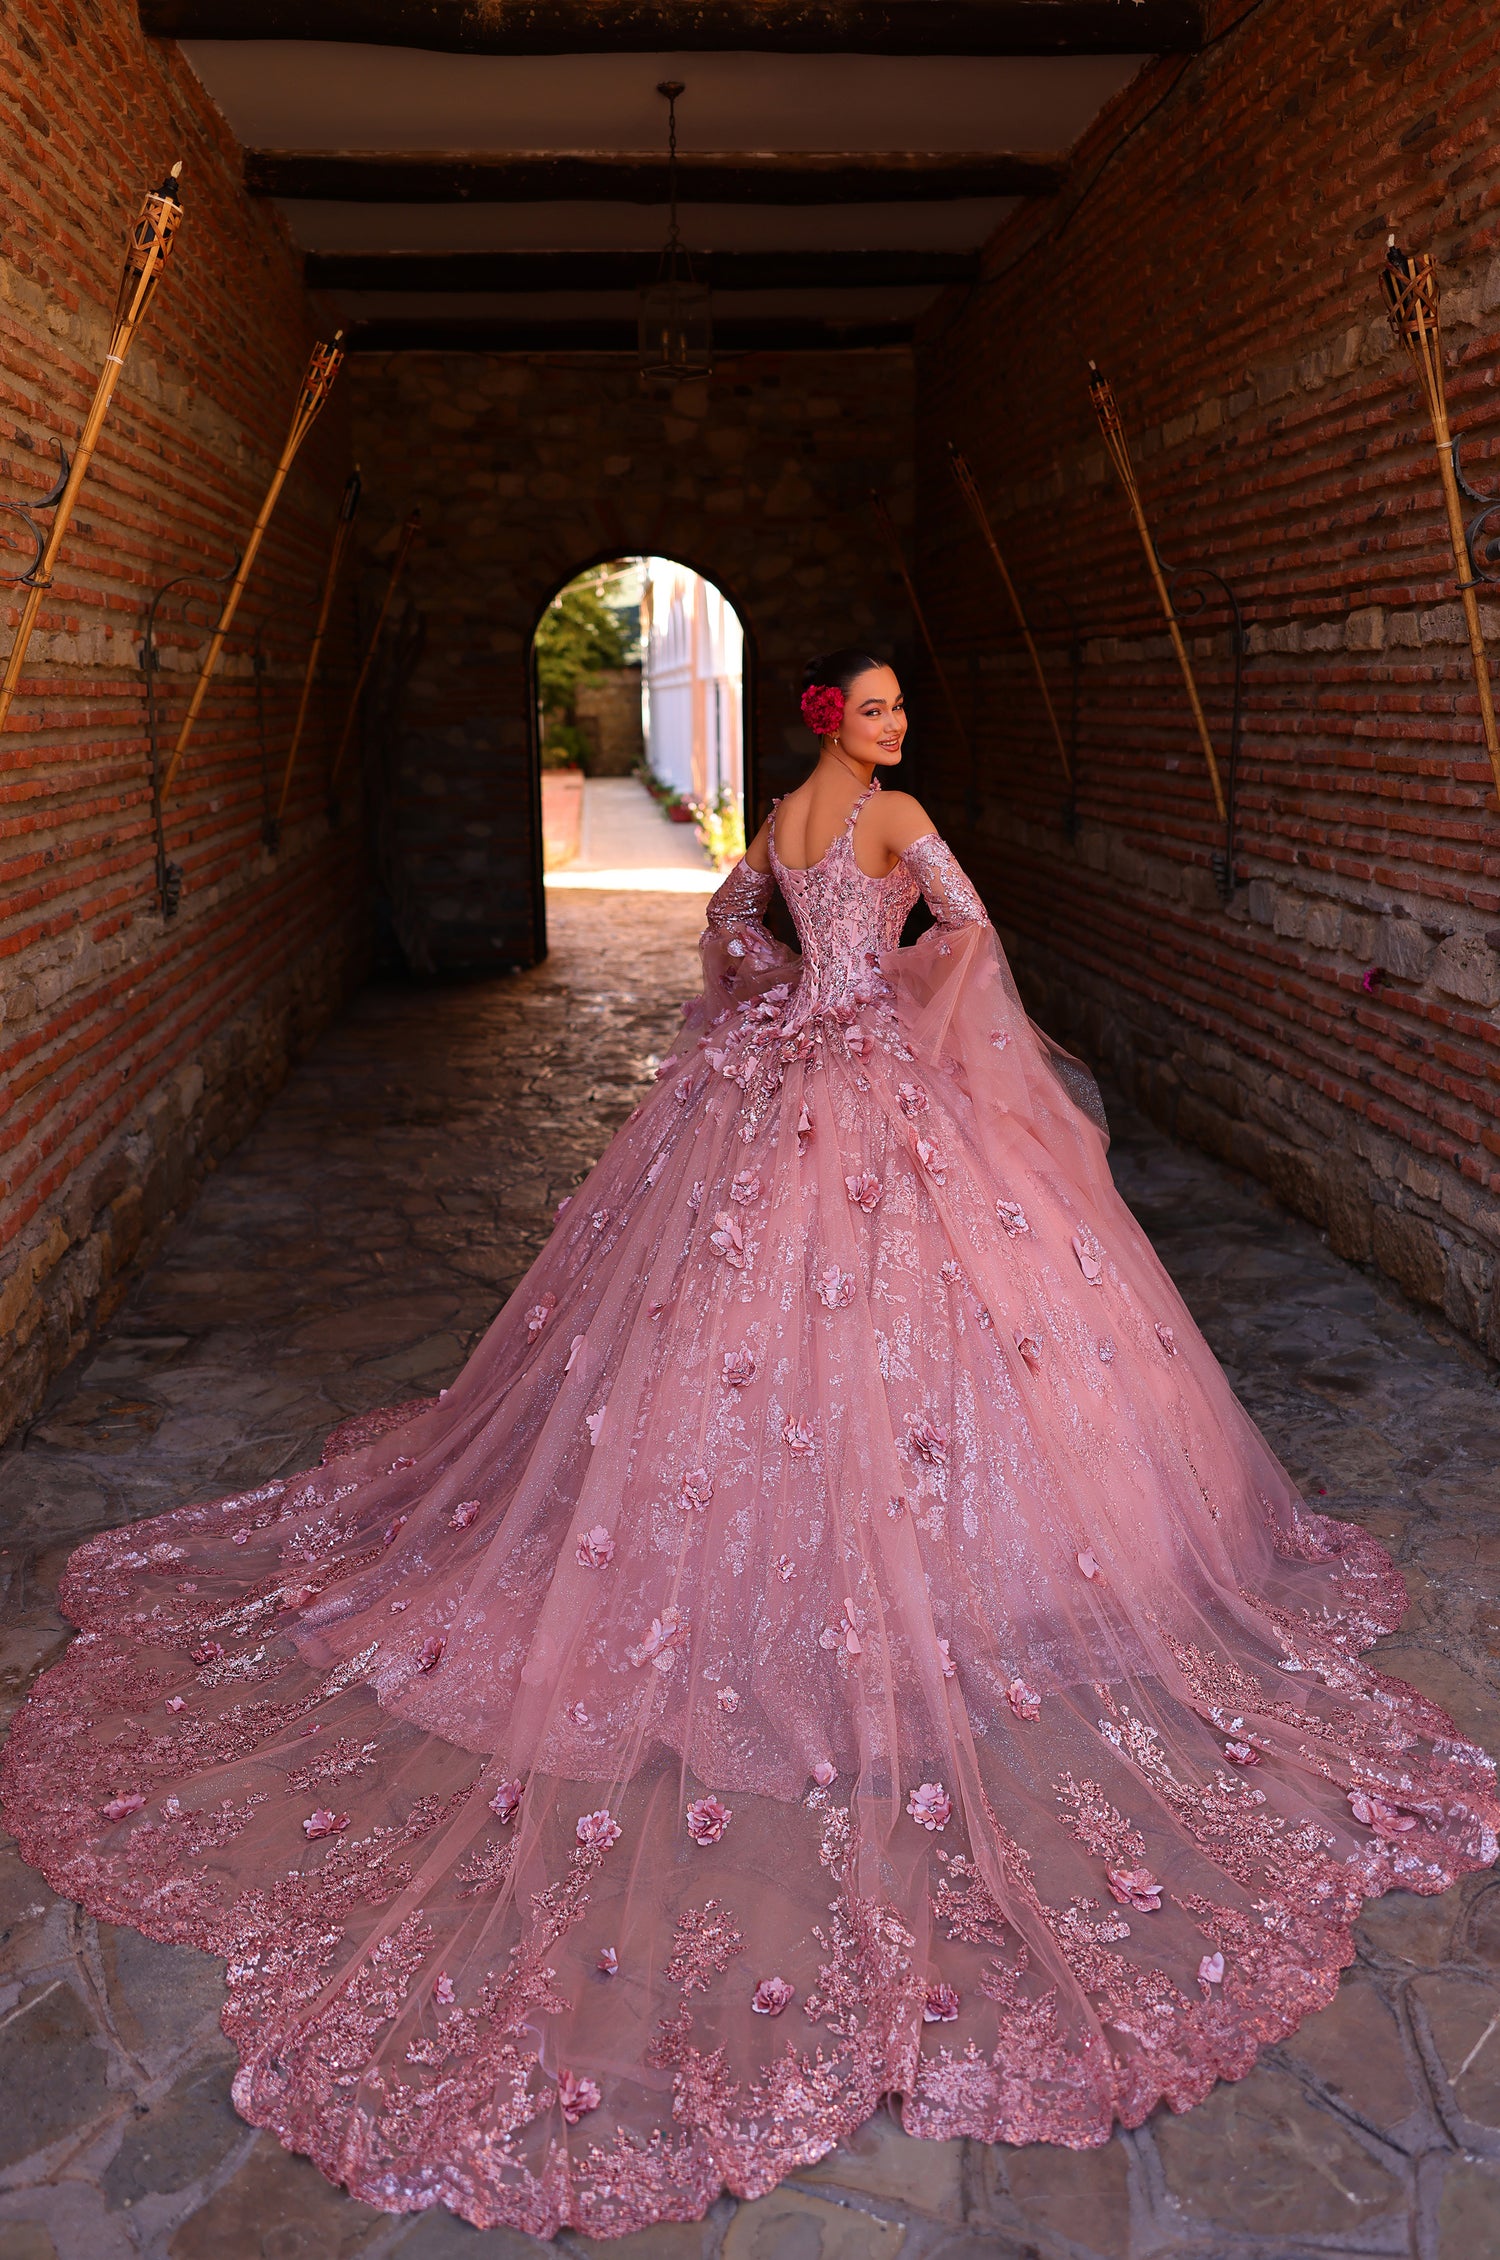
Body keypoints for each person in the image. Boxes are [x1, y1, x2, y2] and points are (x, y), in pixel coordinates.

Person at [3, 649, 1494, 2240]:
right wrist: (917, 1001)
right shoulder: (897, 816)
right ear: (834, 720)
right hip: (874, 1093)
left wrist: (790, 995)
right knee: (943, 1340)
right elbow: (971, 928)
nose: (900, 726)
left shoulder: (782, 818)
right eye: (879, 706)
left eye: (906, 707)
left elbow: (731, 940)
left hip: (769, 1085)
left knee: (708, 1340)